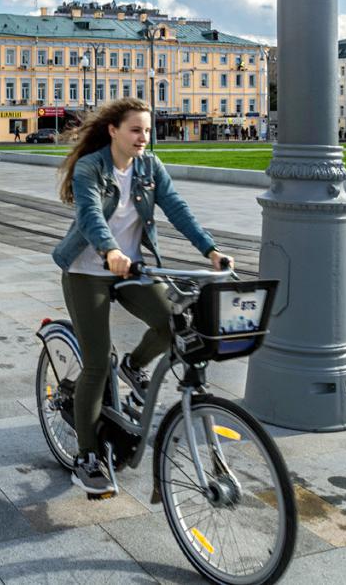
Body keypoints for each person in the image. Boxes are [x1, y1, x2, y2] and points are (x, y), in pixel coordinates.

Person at [52, 97, 232, 495]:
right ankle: (86, 456)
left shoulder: (150, 168)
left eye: (148, 130)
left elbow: (178, 209)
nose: (143, 138)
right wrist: (110, 250)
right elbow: (90, 214)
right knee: (97, 363)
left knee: (175, 324)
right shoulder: (91, 167)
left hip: (133, 269)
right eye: (136, 130)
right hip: (88, 271)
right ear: (114, 131)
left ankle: (133, 366)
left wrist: (211, 251)